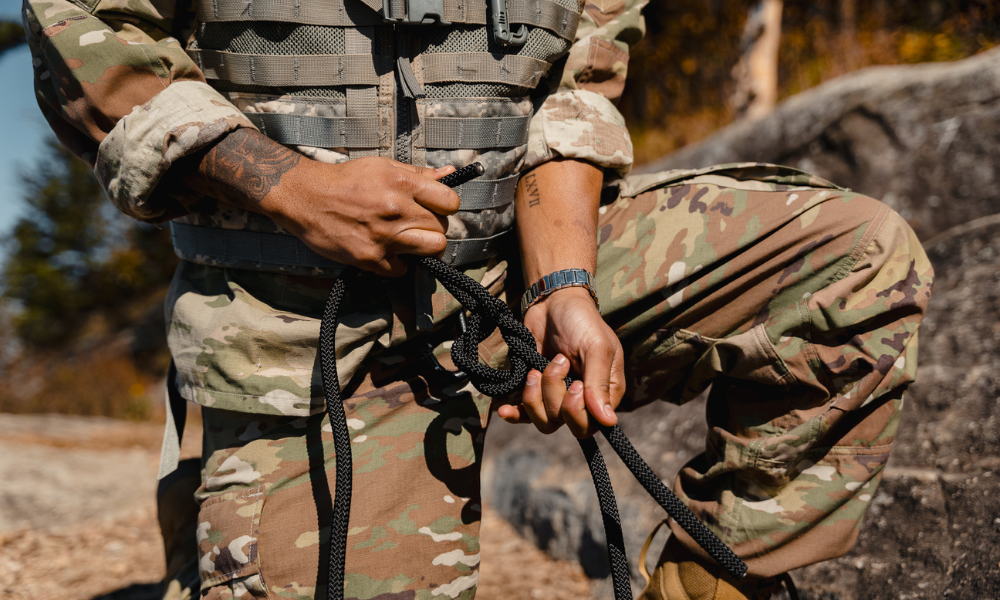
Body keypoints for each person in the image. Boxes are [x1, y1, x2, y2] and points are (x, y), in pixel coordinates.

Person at [21, 0, 933, 597]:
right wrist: (291, 190)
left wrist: (564, 283)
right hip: (299, 333)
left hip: (507, 273)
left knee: (851, 258)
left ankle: (703, 587)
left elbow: (575, 101)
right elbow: (91, 48)